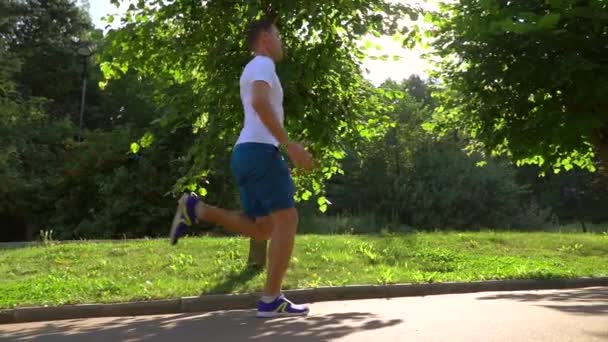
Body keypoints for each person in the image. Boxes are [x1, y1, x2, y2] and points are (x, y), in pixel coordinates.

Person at [169, 17, 314, 318]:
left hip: (244, 152)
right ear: (264, 39)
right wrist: (291, 146)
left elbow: (258, 104)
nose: (281, 40)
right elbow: (261, 103)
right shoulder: (263, 64)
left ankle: (198, 209)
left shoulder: (252, 68)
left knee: (262, 228)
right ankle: (271, 299)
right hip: (261, 151)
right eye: (278, 35)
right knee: (287, 220)